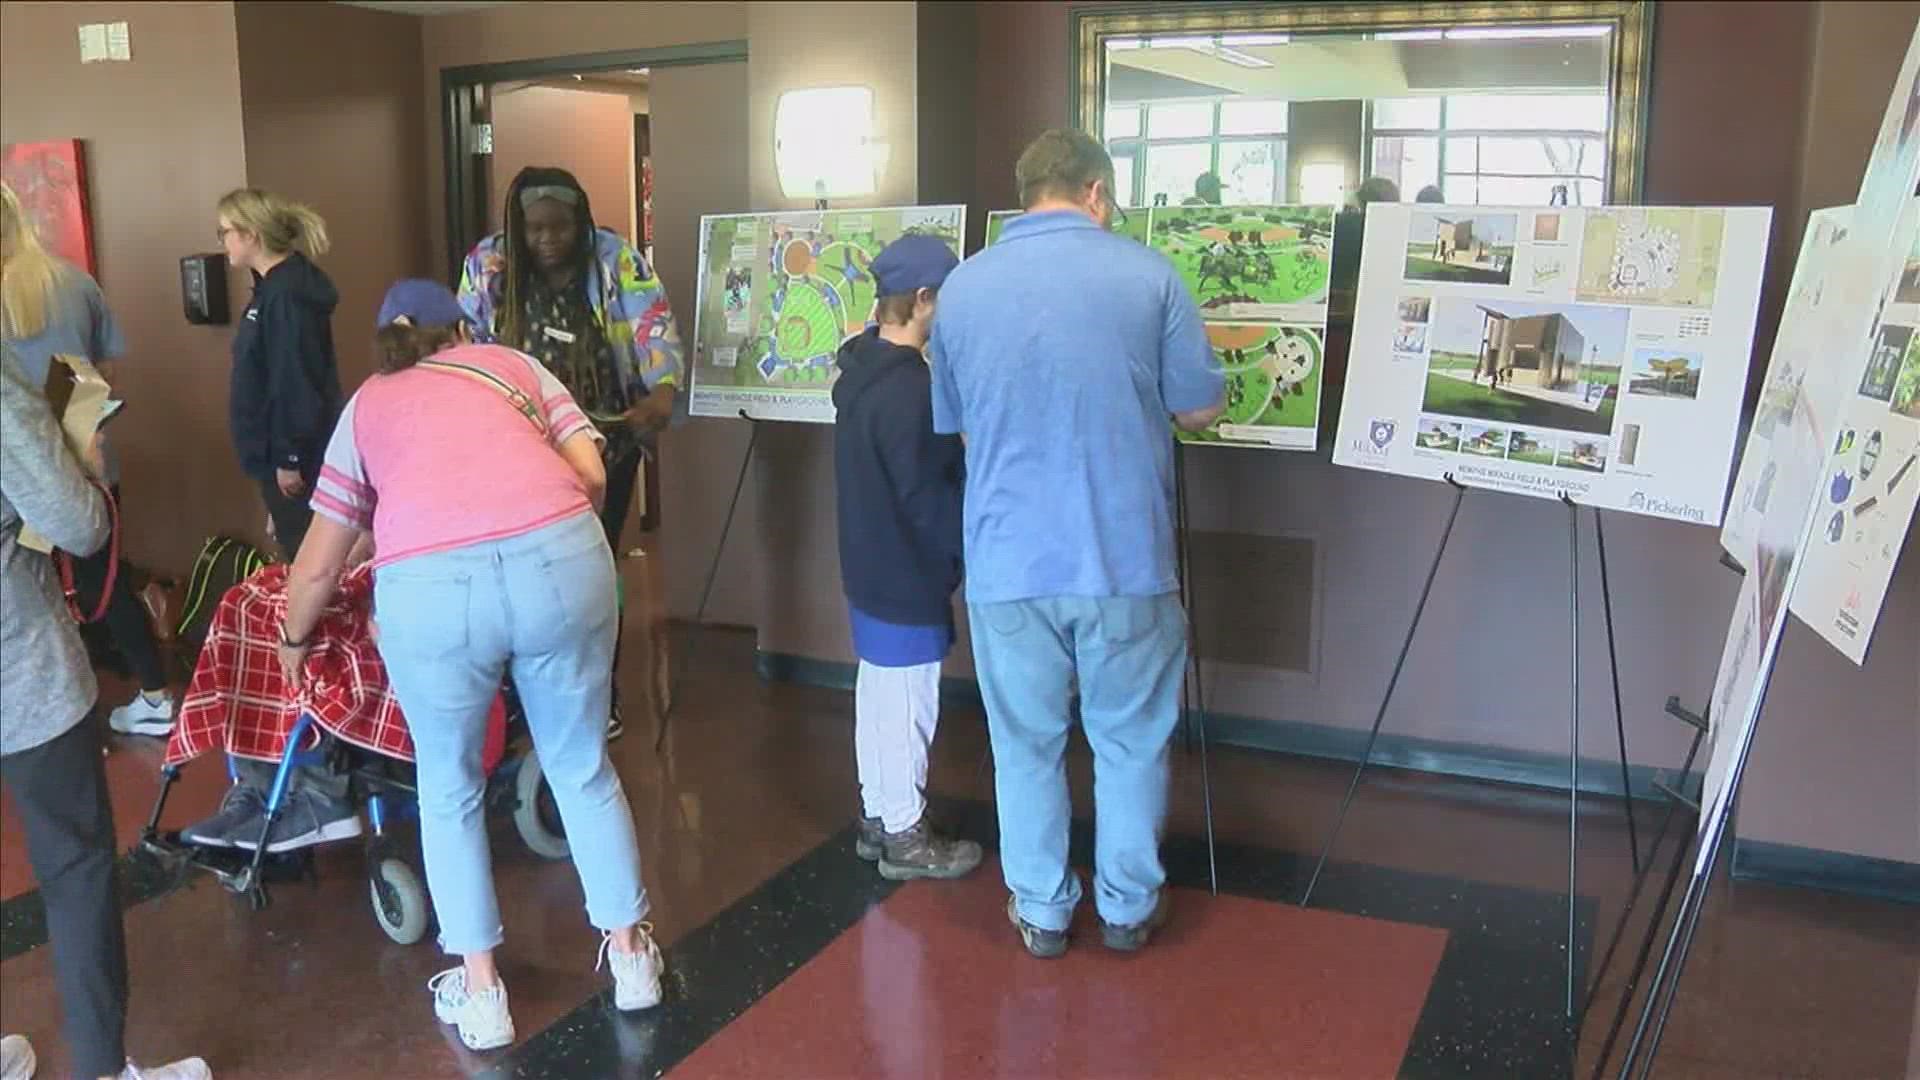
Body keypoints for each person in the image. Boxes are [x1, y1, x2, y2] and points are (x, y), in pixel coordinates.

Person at [283, 280, 663, 1051]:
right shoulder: (516, 367)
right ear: (462, 327)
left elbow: (321, 561)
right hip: (562, 557)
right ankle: (632, 963)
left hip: (431, 592)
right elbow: (590, 476)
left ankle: (482, 996)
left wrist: (293, 638)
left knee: (448, 786)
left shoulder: (368, 406)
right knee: (582, 766)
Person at [928, 130, 1223, 958]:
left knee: (1024, 745)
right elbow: (1197, 408)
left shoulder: (962, 289)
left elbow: (953, 422)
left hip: (1006, 562)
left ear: (1028, 194)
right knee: (1129, 739)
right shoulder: (1148, 275)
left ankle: (1044, 911)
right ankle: (1127, 909)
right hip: (1125, 557)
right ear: (1097, 191)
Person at [1, 345, 211, 1080]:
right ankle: (99, 1070)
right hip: (16, 662)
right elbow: (77, 523)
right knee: (76, 867)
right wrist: (82, 460)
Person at [457, 166, 684, 740]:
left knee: (593, 566)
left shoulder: (614, 258)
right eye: (534, 229)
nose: (547, 240)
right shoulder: (489, 264)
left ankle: (598, 693)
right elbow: (467, 341)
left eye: (560, 227)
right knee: (523, 569)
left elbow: (652, 327)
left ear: (580, 221)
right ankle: (524, 697)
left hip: (606, 437)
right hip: (518, 443)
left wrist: (661, 392)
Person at [184, 190, 354, 852]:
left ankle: (315, 716)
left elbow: (294, 382)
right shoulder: (274, 290)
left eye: (228, 232)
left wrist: (286, 458)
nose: (223, 246)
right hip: (275, 463)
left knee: (309, 581)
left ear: (254, 233)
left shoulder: (286, 296)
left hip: (293, 460)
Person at [831, 234, 981, 882]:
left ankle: (877, 813)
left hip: (869, 568)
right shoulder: (913, 393)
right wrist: (960, 555)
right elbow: (929, 499)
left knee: (879, 697)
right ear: (922, 300)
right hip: (906, 573)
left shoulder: (862, 374)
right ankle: (904, 833)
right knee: (910, 706)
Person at [1, 183, 175, 739]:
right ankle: (153, 692)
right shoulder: (74, 281)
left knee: (35, 592)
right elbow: (103, 379)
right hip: (86, 461)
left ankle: (73, 718)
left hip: (18, 484)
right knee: (105, 578)